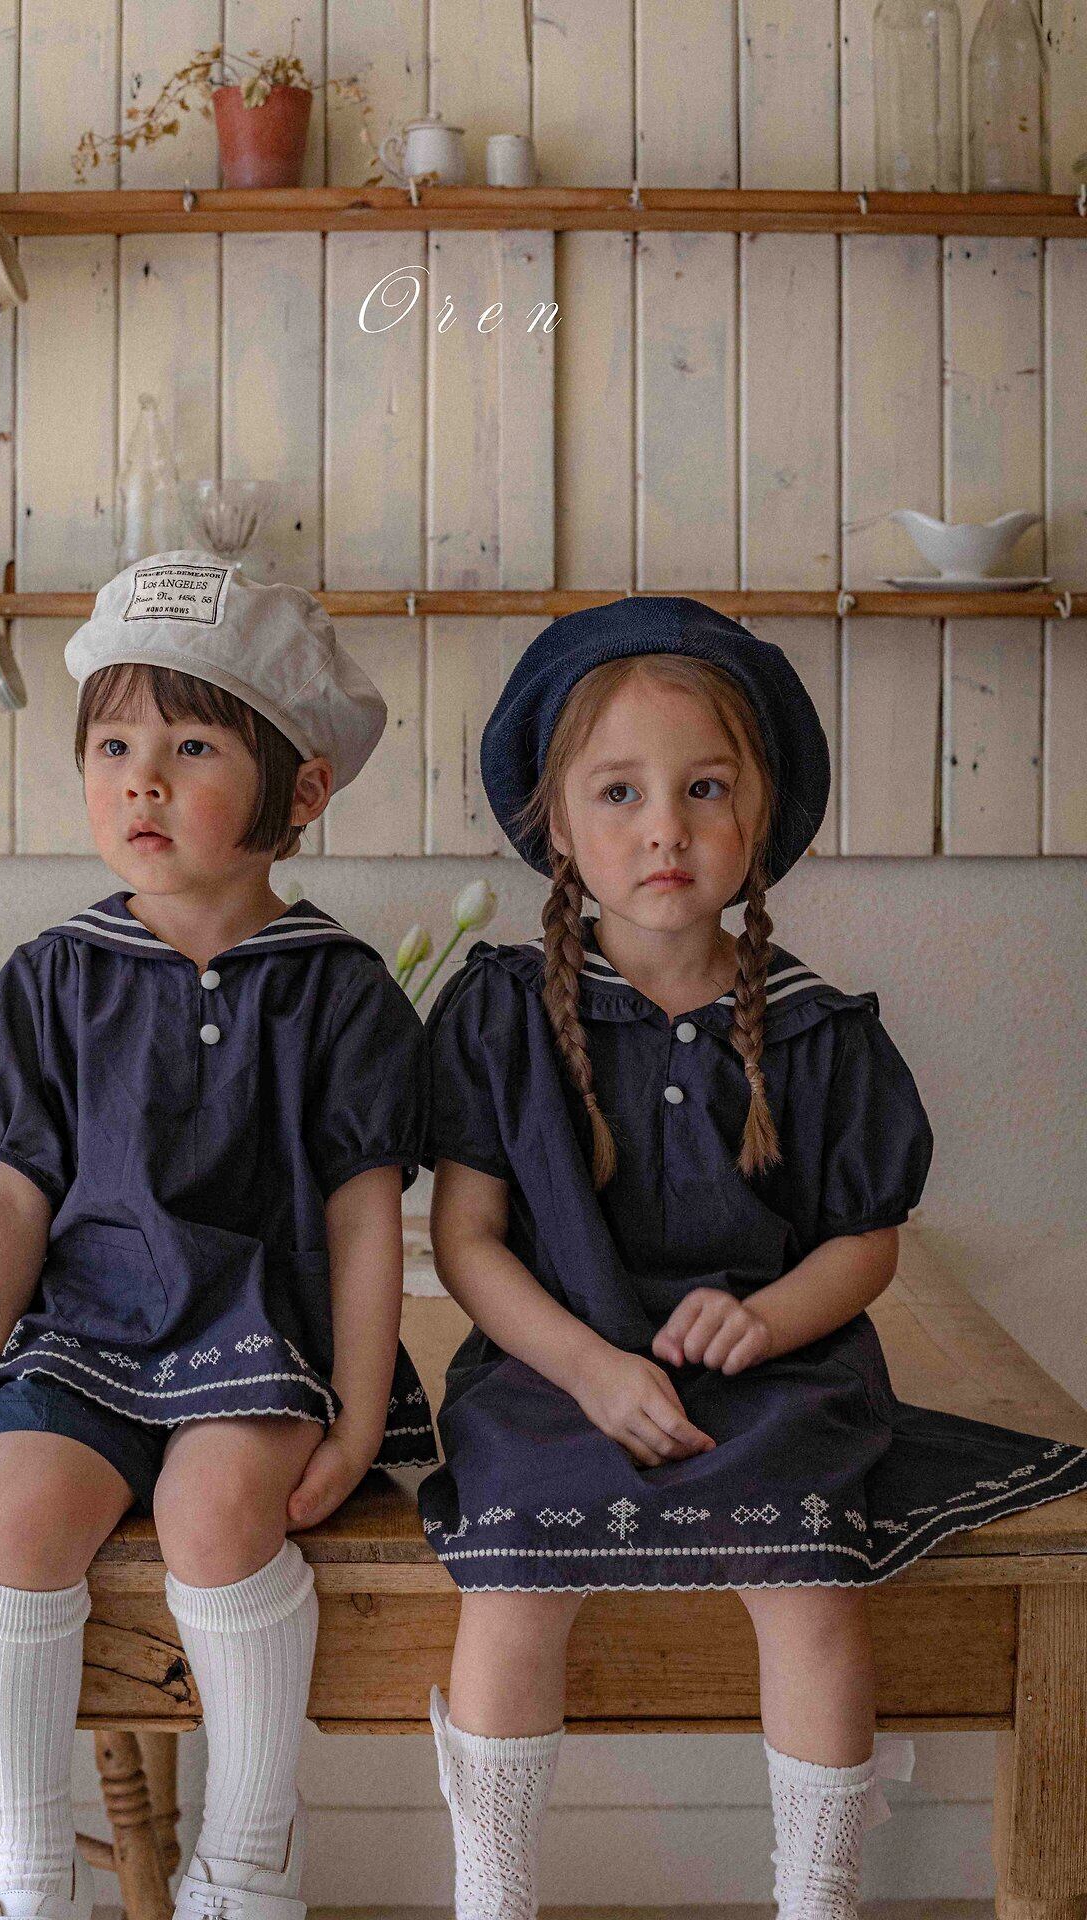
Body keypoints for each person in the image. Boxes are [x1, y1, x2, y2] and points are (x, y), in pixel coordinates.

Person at [416, 595, 1087, 1920]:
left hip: (776, 1372)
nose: (664, 827)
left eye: (705, 788)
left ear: (760, 815)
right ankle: (492, 1898)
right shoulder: (503, 1014)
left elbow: (865, 1242)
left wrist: (771, 1320)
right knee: (512, 1580)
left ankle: (818, 1899)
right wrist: (591, 1368)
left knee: (809, 1581)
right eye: (619, 791)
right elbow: (469, 1241)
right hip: (558, 1368)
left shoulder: (818, 1033)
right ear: (559, 827)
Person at [0, 552, 435, 1920]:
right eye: (113, 747)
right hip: (85, 1336)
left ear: (302, 792)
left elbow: (364, 1224)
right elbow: (6, 1202)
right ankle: (31, 1869)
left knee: (219, 1514)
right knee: (16, 1518)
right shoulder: (53, 979)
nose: (141, 782)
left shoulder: (339, 992)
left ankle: (251, 1852)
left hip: (255, 1336)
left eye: (192, 747)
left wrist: (354, 1418)